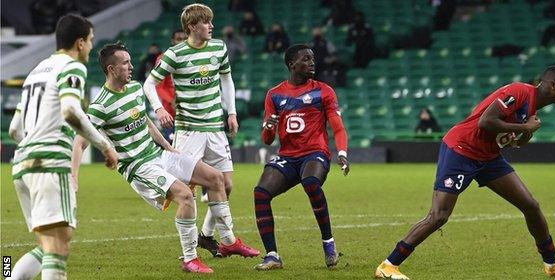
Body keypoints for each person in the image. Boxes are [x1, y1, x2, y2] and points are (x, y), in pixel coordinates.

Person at [374, 66, 555, 279]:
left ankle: (553, 266)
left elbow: (517, 142)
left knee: (531, 206)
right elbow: (485, 121)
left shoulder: (532, 108)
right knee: (439, 216)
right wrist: (525, 128)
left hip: (488, 156)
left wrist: (527, 131)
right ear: (552, 85)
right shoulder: (520, 92)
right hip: (461, 149)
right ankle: (388, 265)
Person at [72, 42, 257, 274]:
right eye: (126, 63)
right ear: (111, 69)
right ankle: (190, 259)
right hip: (138, 166)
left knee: (216, 178)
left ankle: (228, 242)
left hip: (159, 154)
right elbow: (79, 142)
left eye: (130, 61)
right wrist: (74, 178)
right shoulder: (101, 105)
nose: (131, 66)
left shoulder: (135, 88)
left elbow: (145, 121)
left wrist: (168, 146)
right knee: (186, 195)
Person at [143, 3, 260, 259]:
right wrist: (159, 109)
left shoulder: (219, 47)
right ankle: (190, 248)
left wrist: (232, 112)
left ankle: (207, 235)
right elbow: (149, 84)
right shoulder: (175, 54)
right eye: (206, 22)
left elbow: (226, 79)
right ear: (192, 26)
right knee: (186, 192)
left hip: (215, 129)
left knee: (226, 184)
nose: (211, 26)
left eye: (211, 22)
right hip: (189, 130)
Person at [7, 14, 118, 280]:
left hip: (22, 165)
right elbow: (70, 111)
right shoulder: (72, 66)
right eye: (90, 41)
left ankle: (8, 273)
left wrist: (33, 146)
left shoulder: (36, 71)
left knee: (51, 242)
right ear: (80, 43)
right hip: (50, 165)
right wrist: (105, 146)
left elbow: (13, 129)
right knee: (58, 246)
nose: (91, 47)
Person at [253, 44, 350, 270]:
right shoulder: (274, 94)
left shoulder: (323, 90)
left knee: (311, 183)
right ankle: (272, 256)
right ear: (291, 64)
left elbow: (338, 128)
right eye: (306, 59)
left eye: (312, 59)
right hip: (287, 156)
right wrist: (268, 126)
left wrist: (342, 152)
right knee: (260, 193)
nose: (312, 63)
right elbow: (267, 139)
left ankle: (328, 243)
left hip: (315, 153)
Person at [155, 29, 187, 142]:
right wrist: (171, 100)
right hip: (170, 114)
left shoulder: (192, 59)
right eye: (179, 39)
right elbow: (158, 86)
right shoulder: (163, 59)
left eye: (184, 39)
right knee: (173, 146)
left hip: (189, 113)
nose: (182, 42)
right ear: (173, 41)